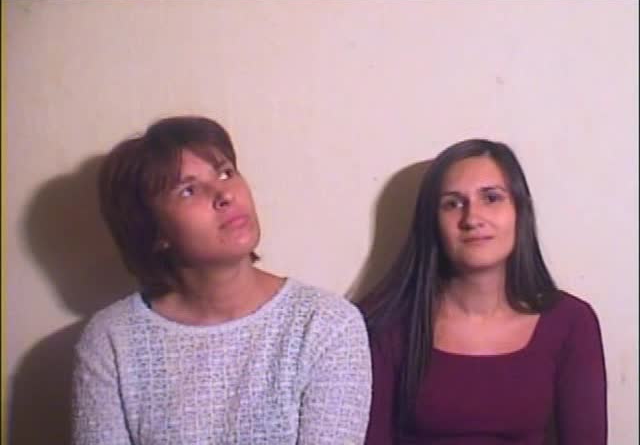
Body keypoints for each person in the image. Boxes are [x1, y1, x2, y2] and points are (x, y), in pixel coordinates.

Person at [71, 115, 372, 444]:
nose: (224, 195)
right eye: (188, 190)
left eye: (226, 172)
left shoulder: (325, 323)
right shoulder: (112, 341)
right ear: (154, 231)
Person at [360, 139, 607, 444]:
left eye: (491, 198)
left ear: (520, 211)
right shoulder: (385, 323)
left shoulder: (570, 322)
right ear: (432, 222)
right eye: (452, 203)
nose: (472, 219)